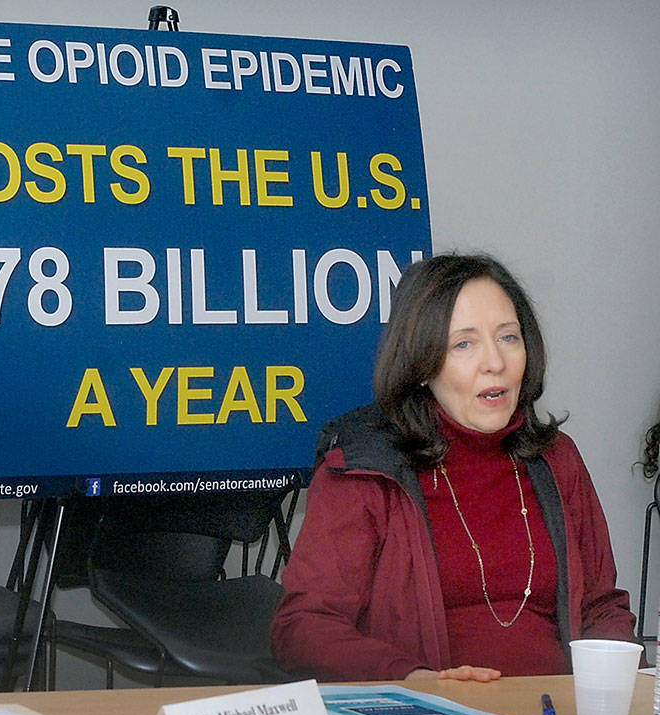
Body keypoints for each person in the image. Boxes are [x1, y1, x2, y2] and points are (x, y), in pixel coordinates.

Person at [271, 253, 635, 682]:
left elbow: (601, 608)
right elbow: (305, 629)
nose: (495, 362)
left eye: (508, 337)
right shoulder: (366, 469)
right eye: (464, 344)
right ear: (422, 365)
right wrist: (413, 678)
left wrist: (622, 692)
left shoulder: (557, 459)